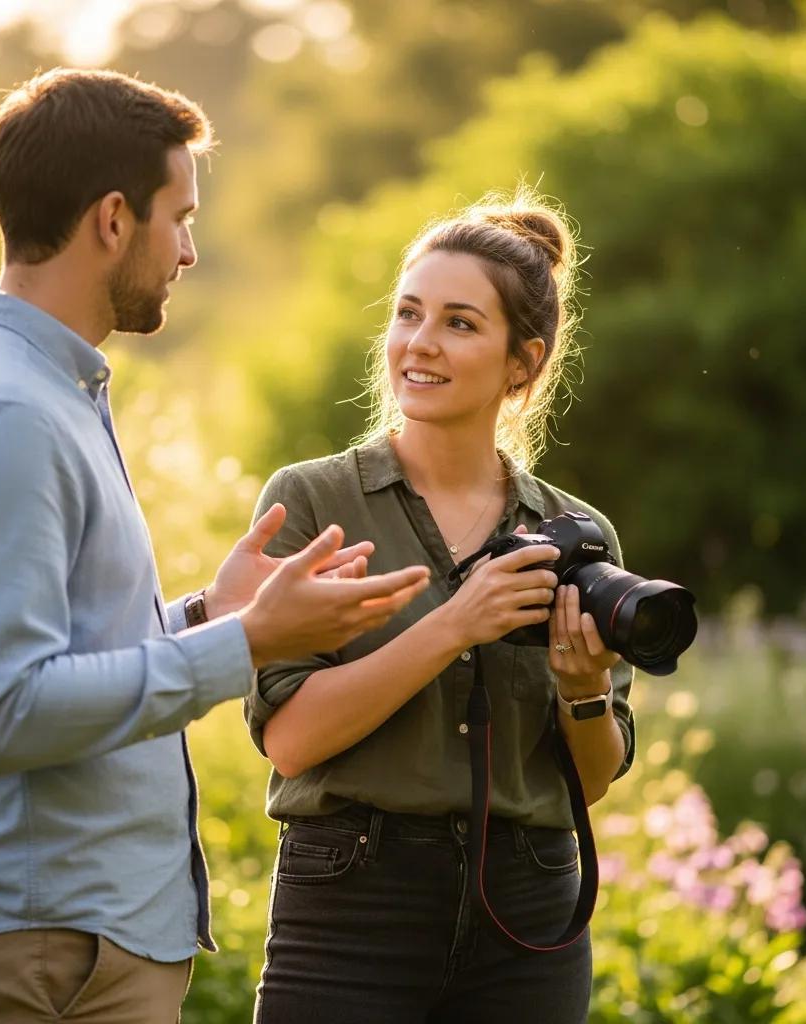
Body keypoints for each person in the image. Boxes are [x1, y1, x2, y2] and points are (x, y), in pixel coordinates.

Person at [0, 68, 430, 1024]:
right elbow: (9, 711)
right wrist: (247, 645)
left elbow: (58, 661)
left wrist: (215, 615)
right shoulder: (5, 410)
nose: (190, 251)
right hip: (48, 950)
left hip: (76, 944)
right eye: (180, 217)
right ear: (111, 220)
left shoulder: (46, 392)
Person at [245, 190, 637, 1023]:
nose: (419, 344)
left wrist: (582, 687)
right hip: (353, 897)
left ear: (522, 362)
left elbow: (591, 781)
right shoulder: (313, 502)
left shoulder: (577, 534)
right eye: (408, 313)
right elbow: (291, 740)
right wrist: (457, 622)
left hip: (531, 905)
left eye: (460, 323)